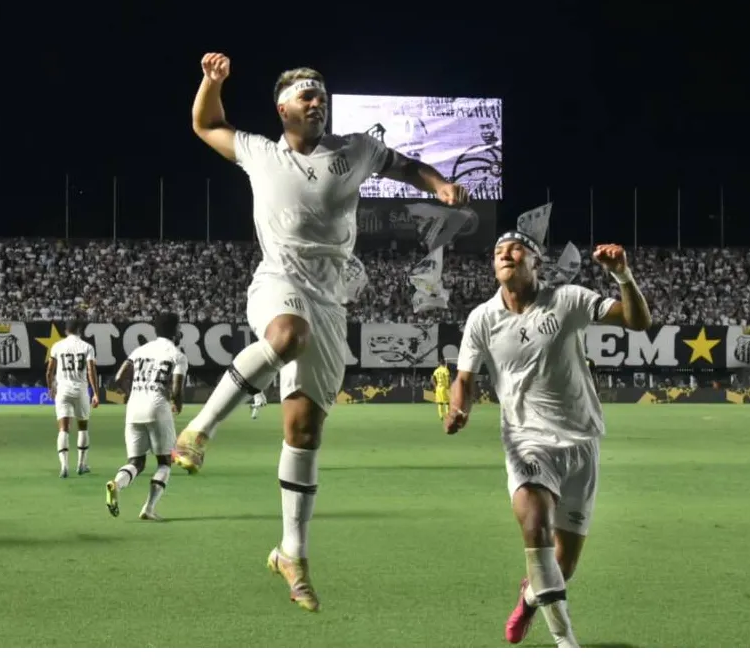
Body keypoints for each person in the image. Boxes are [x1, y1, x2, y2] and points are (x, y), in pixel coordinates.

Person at [173, 52, 468, 612]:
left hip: (331, 299)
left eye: (321, 94)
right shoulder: (259, 152)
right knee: (286, 335)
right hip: (279, 279)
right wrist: (210, 83)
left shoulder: (354, 150)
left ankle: (292, 553)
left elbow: (406, 167)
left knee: (303, 431)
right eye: (307, 95)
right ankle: (198, 431)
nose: (317, 101)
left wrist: (440, 184)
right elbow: (206, 124)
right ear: (282, 107)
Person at [445, 234, 651, 648]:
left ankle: (529, 596)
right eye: (498, 249)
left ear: (536, 262)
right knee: (535, 527)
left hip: (581, 440)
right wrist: (459, 407)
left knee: (563, 563)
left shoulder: (568, 299)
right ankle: (566, 642)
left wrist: (623, 276)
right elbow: (463, 378)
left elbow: (638, 322)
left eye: (515, 249)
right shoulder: (482, 319)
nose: (504, 253)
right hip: (525, 440)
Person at [106, 312, 187, 521]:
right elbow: (177, 389)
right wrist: (177, 404)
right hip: (158, 407)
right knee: (164, 462)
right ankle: (149, 508)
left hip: (134, 408)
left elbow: (118, 377)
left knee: (136, 462)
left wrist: (127, 393)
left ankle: (116, 484)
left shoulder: (139, 350)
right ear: (175, 330)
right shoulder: (177, 355)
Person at [46, 320, 99, 478]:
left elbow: (49, 371)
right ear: (79, 330)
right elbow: (91, 370)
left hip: (63, 390)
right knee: (83, 427)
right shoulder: (87, 347)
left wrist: (51, 388)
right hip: (80, 390)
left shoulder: (57, 346)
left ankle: (64, 466)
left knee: (63, 429)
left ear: (66, 331)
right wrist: (95, 392)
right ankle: (81, 465)